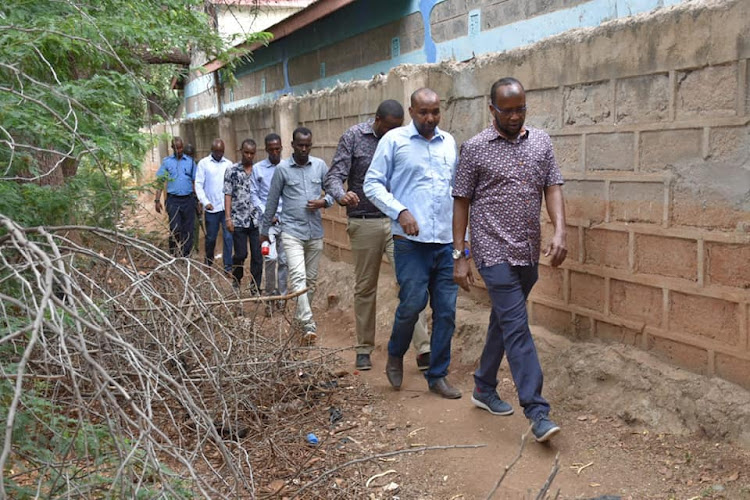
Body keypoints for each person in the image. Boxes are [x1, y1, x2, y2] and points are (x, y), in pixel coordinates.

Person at [452, 77, 567, 443]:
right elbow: (461, 201)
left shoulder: (541, 142)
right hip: (492, 251)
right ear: (492, 110)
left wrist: (560, 231)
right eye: (508, 110)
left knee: (503, 321)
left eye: (521, 109)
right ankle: (537, 411)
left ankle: (484, 387)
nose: (516, 116)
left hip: (527, 250)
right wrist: (461, 254)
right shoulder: (474, 149)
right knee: (517, 326)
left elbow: (553, 185)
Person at [363, 88, 461, 399]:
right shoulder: (394, 142)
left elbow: (459, 195)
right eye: (423, 112)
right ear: (411, 111)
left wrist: (464, 246)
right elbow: (372, 183)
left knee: (446, 311)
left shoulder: (449, 144)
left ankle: (438, 375)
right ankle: (395, 353)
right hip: (410, 243)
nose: (430, 118)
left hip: (445, 242)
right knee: (413, 303)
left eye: (435, 112)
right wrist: (400, 210)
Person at [325, 100, 431, 372]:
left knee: (411, 285)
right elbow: (334, 175)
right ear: (377, 120)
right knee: (365, 287)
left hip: (398, 223)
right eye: (388, 128)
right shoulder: (354, 137)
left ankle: (424, 348)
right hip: (364, 221)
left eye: (398, 127)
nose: (393, 132)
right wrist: (341, 195)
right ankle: (364, 348)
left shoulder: (406, 140)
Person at [261, 127, 333, 343]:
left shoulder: (320, 166)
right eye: (300, 145)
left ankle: (299, 319)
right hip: (291, 231)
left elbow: (333, 191)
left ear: (311, 145)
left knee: (310, 280)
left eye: (307, 145)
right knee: (299, 277)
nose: (304, 149)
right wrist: (264, 232)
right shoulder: (282, 170)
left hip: (314, 232)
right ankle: (309, 324)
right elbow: (272, 201)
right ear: (292, 145)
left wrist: (324, 202)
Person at [250, 133, 288, 316]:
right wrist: (267, 212)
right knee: (270, 258)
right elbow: (253, 195)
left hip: (287, 222)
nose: (275, 152)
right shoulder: (258, 169)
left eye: (277, 149)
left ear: (281, 148)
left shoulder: (288, 166)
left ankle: (282, 298)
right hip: (267, 224)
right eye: (271, 149)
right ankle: (270, 297)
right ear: (266, 149)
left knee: (285, 261)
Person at [224, 139, 263, 295]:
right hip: (238, 219)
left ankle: (255, 287)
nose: (249, 155)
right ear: (241, 151)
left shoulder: (258, 170)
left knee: (257, 256)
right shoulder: (232, 171)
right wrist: (228, 218)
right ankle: (237, 278)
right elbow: (227, 194)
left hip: (256, 220)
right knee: (241, 254)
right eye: (246, 152)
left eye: (252, 153)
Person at [195, 138, 234, 275]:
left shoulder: (229, 164)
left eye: (221, 151)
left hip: (226, 209)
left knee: (228, 238)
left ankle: (228, 267)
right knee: (211, 238)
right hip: (211, 209)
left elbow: (233, 185)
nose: (219, 154)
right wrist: (205, 202)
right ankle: (209, 262)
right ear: (212, 150)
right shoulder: (204, 164)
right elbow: (198, 184)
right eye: (217, 151)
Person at [154, 137, 196, 257]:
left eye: (181, 147)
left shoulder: (190, 162)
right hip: (173, 200)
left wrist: (197, 201)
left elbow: (195, 182)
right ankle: (173, 254)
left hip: (188, 200)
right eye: (176, 148)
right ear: (172, 148)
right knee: (175, 228)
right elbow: (160, 182)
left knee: (188, 229)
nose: (179, 150)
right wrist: (157, 200)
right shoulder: (167, 162)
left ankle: (186, 256)